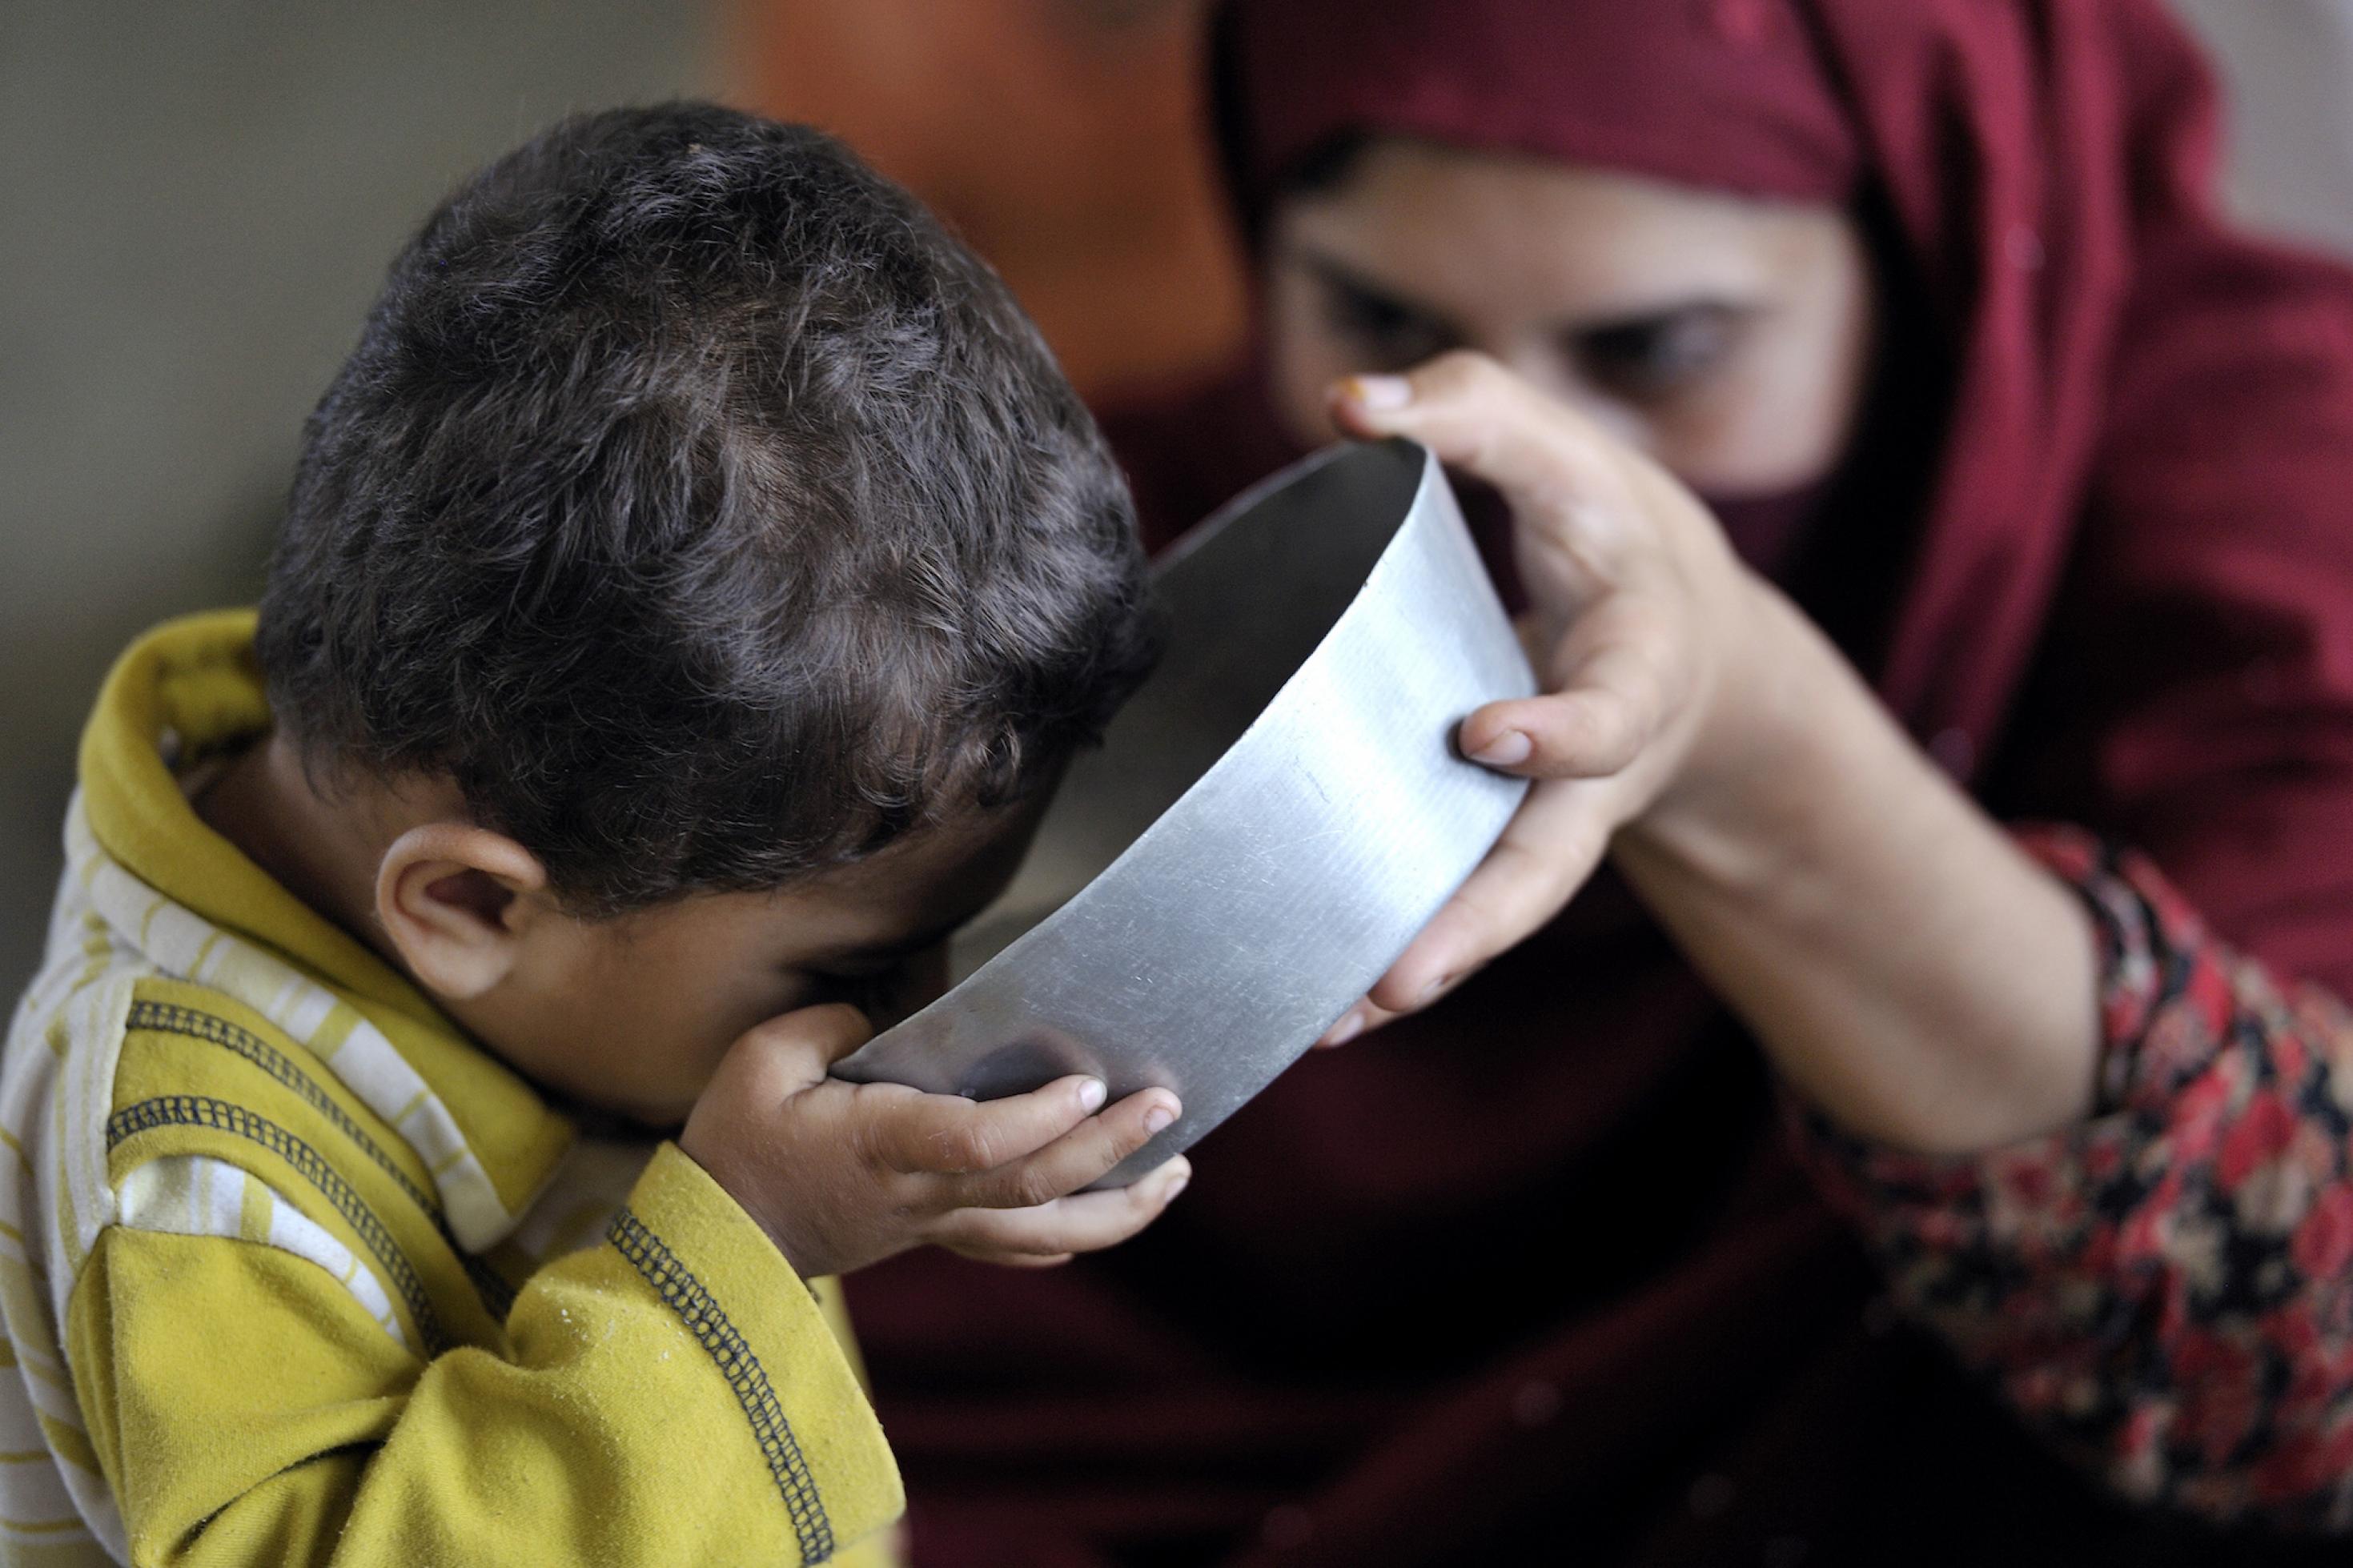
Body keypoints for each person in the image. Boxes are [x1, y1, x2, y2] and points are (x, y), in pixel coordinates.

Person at [846, 2, 2353, 1562]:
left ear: (1926, 251)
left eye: (1657, 351)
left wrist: (1744, 740)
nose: (1526, 466)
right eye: (1376, 321)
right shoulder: (1098, 571)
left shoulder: (2258, 523)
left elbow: (2311, 1336)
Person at [0, 103, 1195, 1566]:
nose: (925, 1009)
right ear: (472, 909)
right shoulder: (189, 1175)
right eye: (869, 969)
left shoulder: (507, 793)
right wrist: (748, 1243)